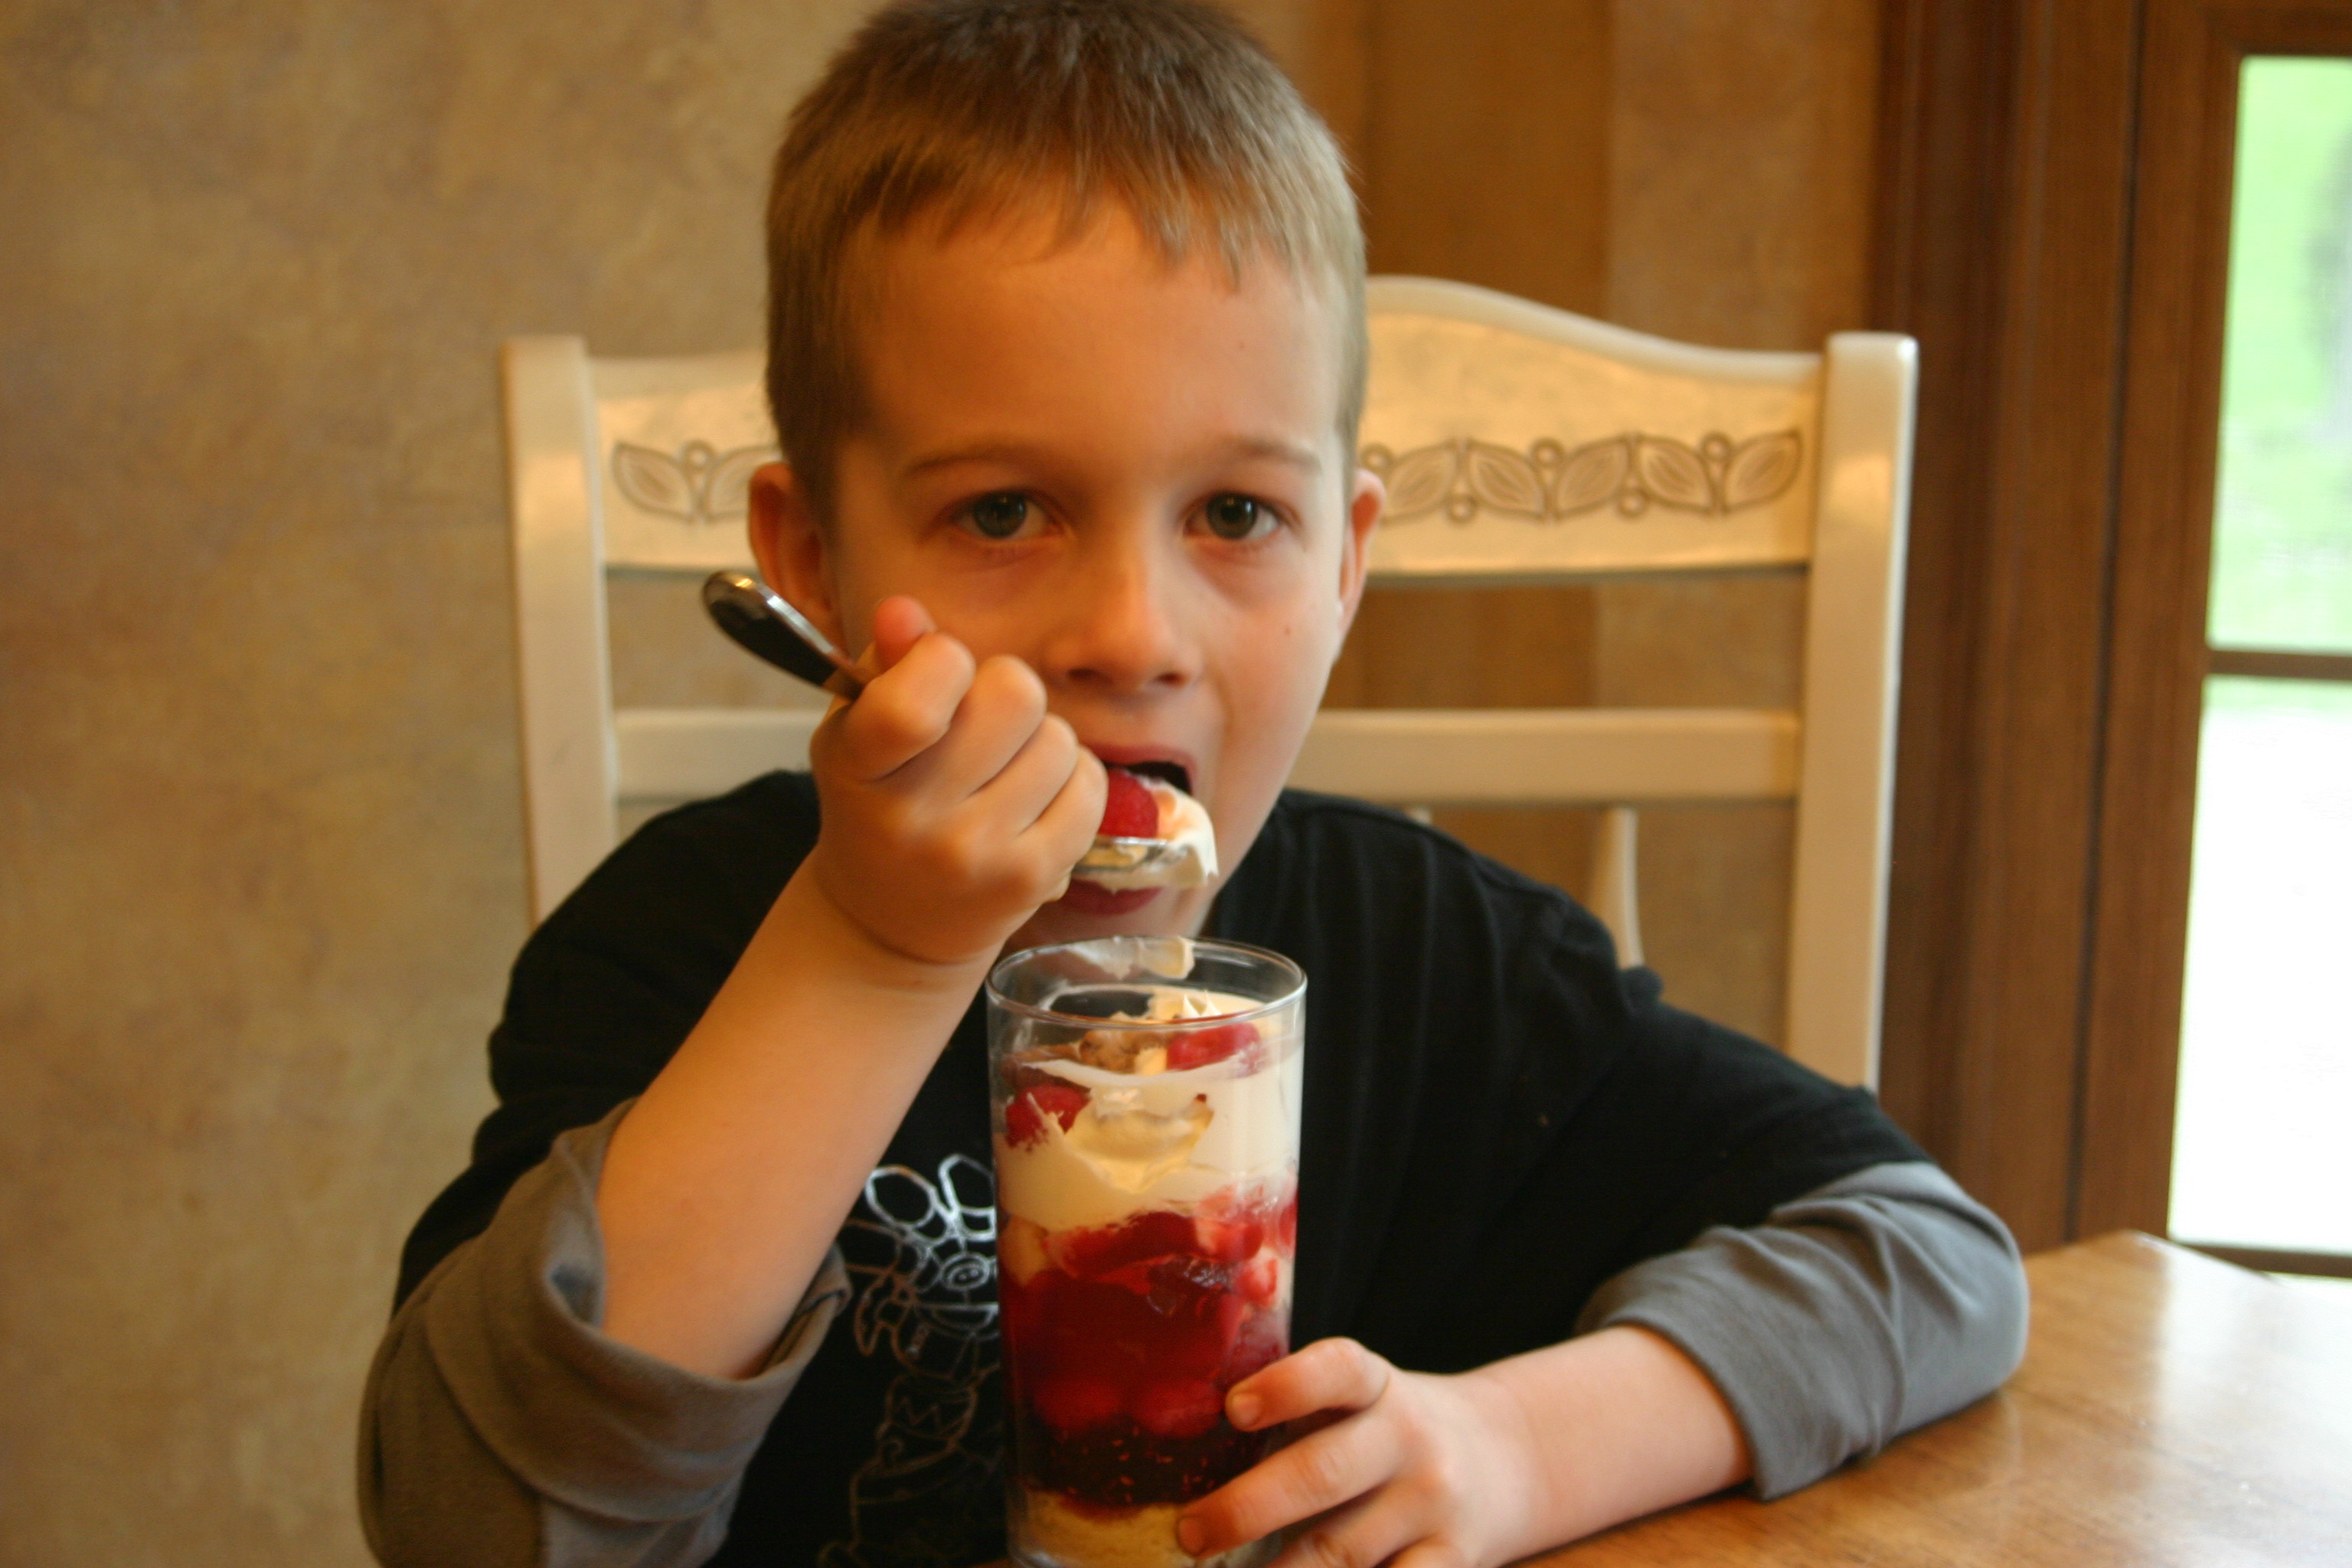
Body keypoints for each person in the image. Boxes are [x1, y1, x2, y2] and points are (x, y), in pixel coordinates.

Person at [359, 3, 2027, 1565]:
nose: (1133, 633)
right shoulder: (676, 953)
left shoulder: (1440, 962)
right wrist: (872, 952)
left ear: (1344, 565)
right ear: (810, 561)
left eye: (1235, 516)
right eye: (1004, 512)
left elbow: (1924, 1256)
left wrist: (1516, 1448)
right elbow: (479, 1522)